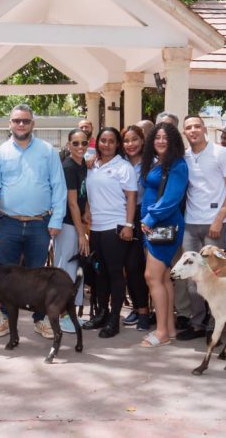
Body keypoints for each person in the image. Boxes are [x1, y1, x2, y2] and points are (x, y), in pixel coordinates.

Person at [0, 104, 67, 339]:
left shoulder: (48, 151)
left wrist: (57, 219)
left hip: (40, 224)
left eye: (25, 121)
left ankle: (41, 320)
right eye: (17, 121)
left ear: (33, 123)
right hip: (7, 222)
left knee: (38, 277)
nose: (21, 125)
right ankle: (5, 319)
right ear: (9, 123)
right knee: (5, 277)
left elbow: (58, 186)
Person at [177, 115, 226, 342]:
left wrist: (219, 219)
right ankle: (197, 322)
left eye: (196, 126)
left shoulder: (220, 153)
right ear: (184, 132)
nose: (193, 130)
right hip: (190, 223)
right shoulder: (183, 156)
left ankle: (217, 324)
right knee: (192, 278)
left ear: (204, 129)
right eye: (188, 127)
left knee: (216, 277)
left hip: (215, 224)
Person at [82, 127, 137, 339]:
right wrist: (87, 209)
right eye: (103, 140)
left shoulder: (124, 167)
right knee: (99, 272)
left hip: (115, 227)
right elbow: (89, 192)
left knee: (115, 273)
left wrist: (128, 224)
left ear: (117, 144)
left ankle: (114, 319)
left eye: (111, 141)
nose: (106, 144)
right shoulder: (91, 165)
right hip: (95, 227)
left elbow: (131, 198)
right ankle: (101, 313)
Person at [139, 122, 188, 347]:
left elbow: (171, 198)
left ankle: (160, 332)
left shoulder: (177, 164)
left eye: (166, 137)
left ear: (174, 140)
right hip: (153, 226)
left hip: (163, 225)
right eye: (157, 137)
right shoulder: (157, 162)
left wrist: (149, 218)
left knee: (152, 276)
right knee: (164, 277)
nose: (161, 140)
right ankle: (169, 328)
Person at [52, 128, 90, 334]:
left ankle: (71, 313)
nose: (80, 147)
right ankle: (61, 314)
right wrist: (81, 233)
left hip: (78, 225)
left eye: (84, 143)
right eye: (75, 143)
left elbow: (85, 199)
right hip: (68, 225)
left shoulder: (83, 164)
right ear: (68, 145)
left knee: (78, 271)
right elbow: (73, 204)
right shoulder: (68, 167)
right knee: (65, 271)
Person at [120, 125, 150, 331]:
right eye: (126, 140)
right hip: (122, 216)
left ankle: (147, 312)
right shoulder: (118, 163)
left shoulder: (153, 164)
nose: (130, 144)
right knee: (130, 267)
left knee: (146, 269)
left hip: (147, 217)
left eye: (135, 139)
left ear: (142, 141)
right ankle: (138, 308)